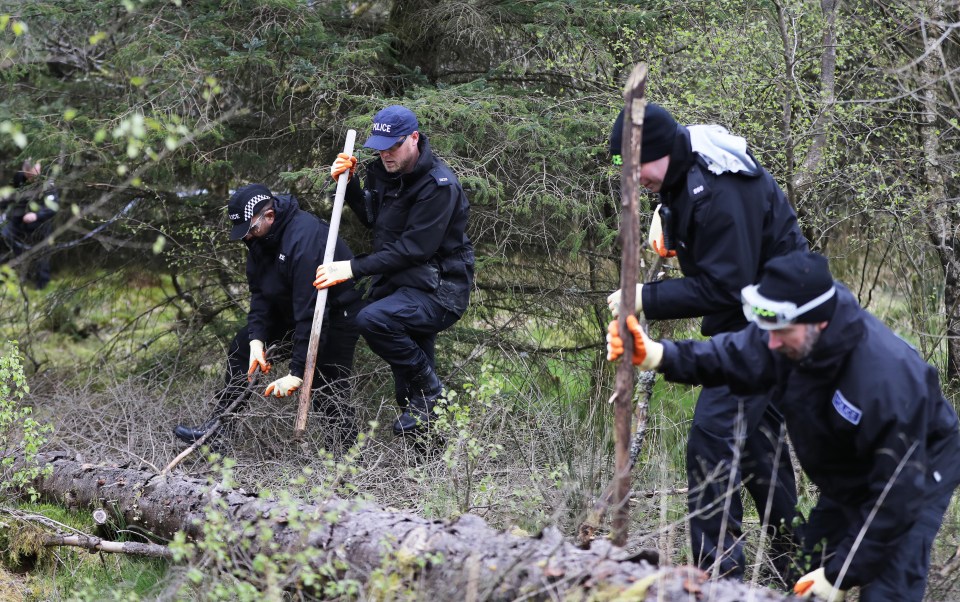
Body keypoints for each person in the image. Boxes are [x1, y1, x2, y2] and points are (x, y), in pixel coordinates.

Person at [607, 250, 960, 601]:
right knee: (808, 567)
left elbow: (894, 501)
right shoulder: (791, 336)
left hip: (918, 470)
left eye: (781, 333)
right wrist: (658, 355)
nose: (771, 343)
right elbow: (732, 355)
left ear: (818, 323)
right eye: (768, 331)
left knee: (888, 583)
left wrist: (840, 576)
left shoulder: (885, 379)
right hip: (850, 468)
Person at [606, 104, 806, 580]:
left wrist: (643, 297)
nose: (634, 180)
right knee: (758, 446)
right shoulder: (683, 164)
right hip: (754, 317)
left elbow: (724, 286)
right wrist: (668, 219)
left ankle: (720, 581)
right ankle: (798, 565)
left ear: (658, 152)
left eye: (638, 169)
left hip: (772, 322)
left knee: (711, 442)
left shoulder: (718, 189)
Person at [316, 105, 474, 436]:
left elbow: (413, 250)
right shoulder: (384, 171)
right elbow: (374, 220)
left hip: (439, 291)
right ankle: (428, 470)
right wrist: (351, 185)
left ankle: (434, 392)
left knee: (373, 318)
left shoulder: (439, 186)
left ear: (413, 138)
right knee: (408, 393)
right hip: (402, 287)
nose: (386, 154)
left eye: (393, 147)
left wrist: (351, 268)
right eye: (380, 147)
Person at [174, 184, 364, 447]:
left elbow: (310, 313)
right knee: (242, 345)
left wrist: (297, 372)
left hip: (334, 311)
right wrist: (257, 338)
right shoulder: (259, 239)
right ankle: (220, 429)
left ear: (270, 216)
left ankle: (345, 454)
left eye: (250, 230)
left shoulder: (303, 238)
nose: (246, 239)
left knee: (327, 381)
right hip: (292, 310)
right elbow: (260, 295)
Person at [0, 159, 60, 289]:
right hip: (18, 219)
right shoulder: (18, 177)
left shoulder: (47, 182)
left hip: (40, 222)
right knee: (4, 235)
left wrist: (36, 215)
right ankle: (6, 278)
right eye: (28, 175)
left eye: (32, 175)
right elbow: (9, 196)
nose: (30, 178)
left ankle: (42, 286)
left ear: (39, 169)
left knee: (42, 251)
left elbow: (53, 207)